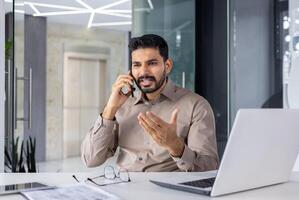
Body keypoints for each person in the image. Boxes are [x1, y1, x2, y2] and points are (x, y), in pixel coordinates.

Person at [81, 34, 219, 172]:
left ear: (168, 65)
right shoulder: (121, 104)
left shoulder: (196, 106)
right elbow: (91, 159)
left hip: (169, 190)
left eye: (152, 63)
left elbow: (209, 168)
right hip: (125, 187)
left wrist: (175, 146)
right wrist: (110, 109)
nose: (143, 72)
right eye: (137, 65)